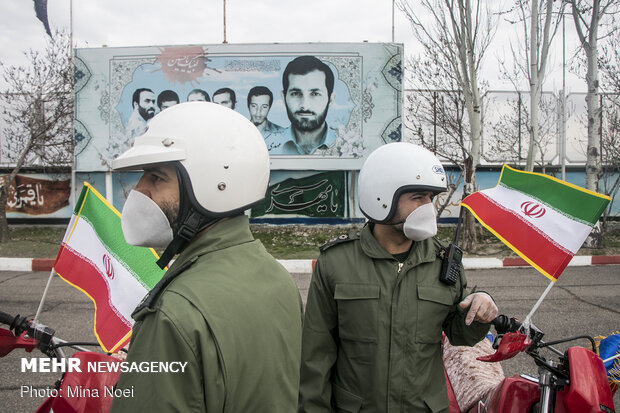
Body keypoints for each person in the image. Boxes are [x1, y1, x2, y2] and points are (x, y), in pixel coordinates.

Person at [110, 102, 303, 412]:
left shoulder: (174, 313)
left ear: (214, 185)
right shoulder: (278, 278)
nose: (139, 190)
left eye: (156, 178)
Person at [298, 142, 498, 413]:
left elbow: (460, 335)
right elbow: (315, 357)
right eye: (418, 197)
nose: (428, 207)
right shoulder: (336, 263)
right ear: (381, 197)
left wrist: (480, 309)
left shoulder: (444, 262)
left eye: (431, 197)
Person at [265, 55, 337, 155]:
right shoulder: (265, 147)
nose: (305, 105)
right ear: (283, 97)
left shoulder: (346, 146)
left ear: (331, 99)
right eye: (296, 93)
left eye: (315, 94)